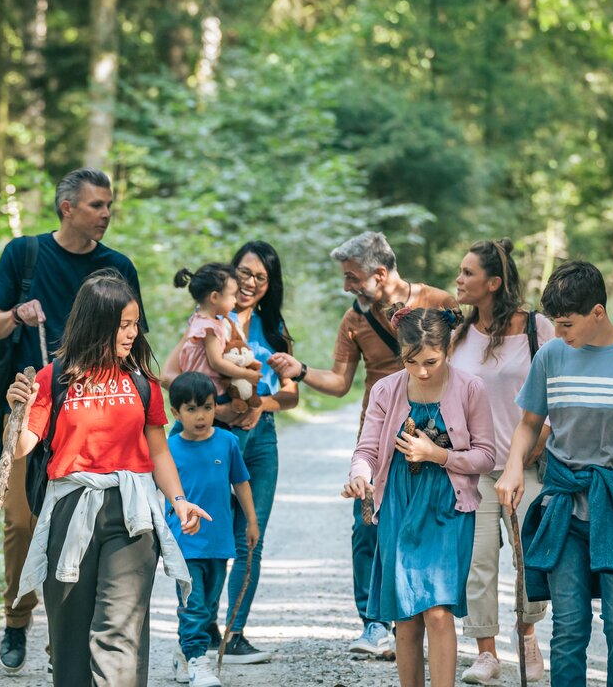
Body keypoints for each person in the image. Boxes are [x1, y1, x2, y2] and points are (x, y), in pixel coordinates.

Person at [0, 168, 146, 673]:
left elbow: (136, 338)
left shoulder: (118, 266)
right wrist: (16, 316)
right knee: (23, 522)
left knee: (87, 528)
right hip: (32, 410)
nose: (107, 213)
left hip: (97, 418)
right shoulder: (24, 254)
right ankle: (16, 617)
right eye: (97, 205)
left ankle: (64, 642)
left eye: (110, 204)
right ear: (67, 208)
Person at [4, 271, 210, 687]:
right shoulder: (53, 379)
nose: (133, 333)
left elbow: (157, 449)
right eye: (124, 325)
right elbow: (22, 447)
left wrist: (179, 500)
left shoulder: (141, 381)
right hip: (69, 510)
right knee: (70, 635)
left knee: (120, 631)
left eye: (135, 324)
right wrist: (18, 410)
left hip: (132, 513)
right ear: (98, 324)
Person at [495, 261, 613, 687]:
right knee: (568, 626)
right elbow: (529, 424)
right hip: (564, 506)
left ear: (597, 312)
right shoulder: (551, 357)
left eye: (566, 324)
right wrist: (512, 469)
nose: (560, 334)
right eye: (555, 325)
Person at [268, 231, 456, 656]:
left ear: (381, 273)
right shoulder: (355, 320)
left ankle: (429, 617)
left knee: (429, 526)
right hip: (378, 439)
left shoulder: (440, 303)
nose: (347, 286)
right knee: (366, 529)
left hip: (437, 437)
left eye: (352, 278)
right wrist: (300, 371)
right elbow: (338, 383)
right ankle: (374, 624)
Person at [342, 306, 497, 687]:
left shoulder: (470, 388)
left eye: (431, 361)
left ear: (448, 350)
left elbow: (487, 456)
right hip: (399, 501)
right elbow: (366, 452)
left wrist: (438, 455)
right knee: (406, 616)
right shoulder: (385, 390)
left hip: (448, 505)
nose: (422, 371)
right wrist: (359, 476)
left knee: (439, 612)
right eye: (411, 361)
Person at [161, 241, 299, 664]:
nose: (250, 283)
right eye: (244, 273)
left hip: (261, 442)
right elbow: (170, 376)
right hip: (211, 436)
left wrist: (260, 406)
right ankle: (201, 629)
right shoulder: (206, 321)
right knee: (203, 537)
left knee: (248, 539)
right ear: (228, 275)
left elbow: (291, 395)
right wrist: (214, 408)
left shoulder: (273, 328)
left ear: (269, 283)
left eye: (260, 276)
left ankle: (234, 632)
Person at [450, 239, 553, 685]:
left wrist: (530, 450)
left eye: (468, 273)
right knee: (478, 560)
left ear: (494, 282)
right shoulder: (457, 333)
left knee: (530, 557)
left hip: (526, 463)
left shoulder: (538, 329)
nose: (458, 279)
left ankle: (526, 636)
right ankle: (486, 653)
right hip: (473, 469)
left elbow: (556, 395)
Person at [164, 372, 260, 687]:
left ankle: (183, 651)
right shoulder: (169, 449)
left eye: (206, 407)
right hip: (185, 541)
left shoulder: (227, 442)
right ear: (176, 413)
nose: (201, 416)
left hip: (218, 542)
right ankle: (196, 659)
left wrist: (251, 520)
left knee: (207, 607)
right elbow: (160, 491)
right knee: (193, 604)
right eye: (190, 409)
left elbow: (241, 483)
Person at [173, 264, 263, 408]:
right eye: (233, 295)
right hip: (210, 390)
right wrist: (246, 374)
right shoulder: (209, 328)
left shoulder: (197, 319)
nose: (236, 300)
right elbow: (217, 363)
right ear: (214, 297)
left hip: (194, 388)